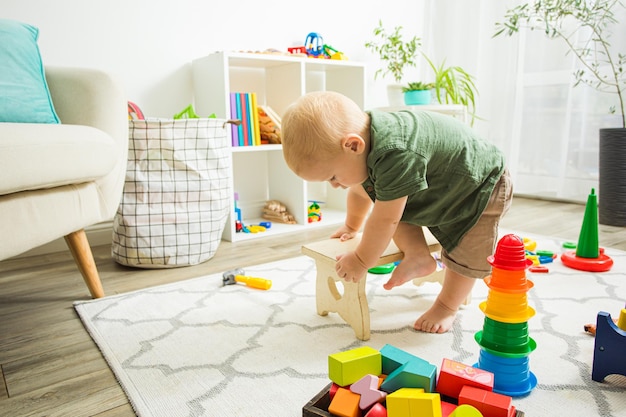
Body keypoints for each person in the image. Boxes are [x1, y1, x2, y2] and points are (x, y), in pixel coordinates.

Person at [281, 91, 512, 334]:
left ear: (352, 145)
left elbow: (384, 220)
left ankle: (446, 306)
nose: (335, 185)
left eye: (333, 177)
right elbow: (361, 192)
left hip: (482, 187)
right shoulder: (366, 141)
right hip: (446, 185)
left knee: (465, 252)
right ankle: (418, 256)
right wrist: (351, 226)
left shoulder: (395, 153)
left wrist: (361, 260)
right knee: (386, 200)